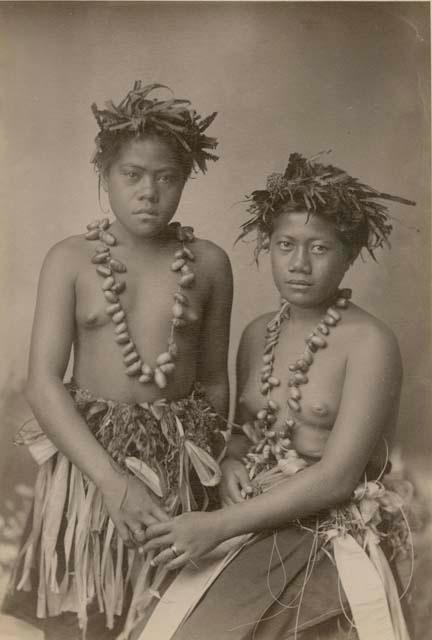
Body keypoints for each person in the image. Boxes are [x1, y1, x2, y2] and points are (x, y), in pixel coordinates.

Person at [138, 152, 415, 640]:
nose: (300, 265)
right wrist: (231, 464)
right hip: (255, 518)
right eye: (286, 245)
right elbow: (246, 434)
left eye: (320, 248)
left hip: (324, 531)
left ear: (348, 255)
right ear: (268, 246)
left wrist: (219, 526)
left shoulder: (371, 342)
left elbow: (336, 479)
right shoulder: (258, 333)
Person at [2, 81, 232, 639]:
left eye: (166, 177)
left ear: (184, 181)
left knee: (165, 614)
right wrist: (109, 481)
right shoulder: (71, 260)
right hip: (90, 463)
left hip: (179, 465)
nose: (149, 192)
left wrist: (206, 474)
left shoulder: (208, 264)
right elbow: (43, 383)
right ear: (104, 176)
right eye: (132, 175)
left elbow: (214, 382)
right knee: (83, 617)